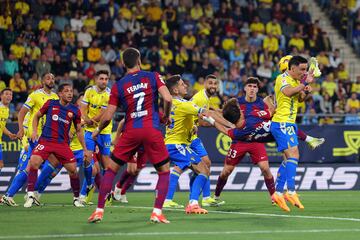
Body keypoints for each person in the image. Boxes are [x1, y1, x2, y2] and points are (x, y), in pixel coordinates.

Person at [88, 47, 172, 224]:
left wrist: (97, 130)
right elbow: (168, 99)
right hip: (151, 129)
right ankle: (157, 212)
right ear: (139, 61)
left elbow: (108, 116)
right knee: (164, 171)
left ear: (122, 63)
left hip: (130, 130)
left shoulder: (118, 86)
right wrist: (166, 115)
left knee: (111, 169)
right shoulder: (153, 76)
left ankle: (99, 211)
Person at [164, 74, 227, 208]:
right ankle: (193, 201)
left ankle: (174, 199)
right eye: (182, 84)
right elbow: (207, 114)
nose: (186, 85)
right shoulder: (189, 102)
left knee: (198, 166)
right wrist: (231, 126)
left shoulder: (172, 103)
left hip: (178, 141)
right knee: (203, 169)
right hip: (179, 143)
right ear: (175, 90)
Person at [23, 84, 91, 208]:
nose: (70, 93)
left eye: (71, 91)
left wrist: (85, 149)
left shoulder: (75, 110)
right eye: (66, 91)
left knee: (73, 171)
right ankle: (31, 195)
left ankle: (76, 198)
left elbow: (79, 130)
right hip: (46, 141)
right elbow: (37, 116)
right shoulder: (51, 103)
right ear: (60, 93)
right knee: (33, 162)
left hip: (62, 144)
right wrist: (33, 131)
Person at [1, 73, 59, 206]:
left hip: (48, 137)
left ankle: (12, 195)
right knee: (50, 163)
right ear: (43, 81)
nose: (51, 80)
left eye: (53, 78)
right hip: (35, 136)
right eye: (48, 78)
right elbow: (22, 112)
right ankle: (31, 192)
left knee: (31, 168)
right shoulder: (35, 95)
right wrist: (21, 129)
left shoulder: (55, 97)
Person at [270, 56, 314, 212]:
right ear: (292, 68)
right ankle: (291, 191)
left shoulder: (296, 81)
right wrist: (305, 83)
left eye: (305, 70)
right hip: (281, 122)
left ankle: (278, 193)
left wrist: (306, 91)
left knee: (288, 158)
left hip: (288, 123)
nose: (303, 72)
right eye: (302, 69)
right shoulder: (282, 78)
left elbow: (300, 99)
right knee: (294, 155)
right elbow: (288, 93)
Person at [80, 70, 113, 204]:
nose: (104, 81)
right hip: (89, 130)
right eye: (101, 78)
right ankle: (87, 189)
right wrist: (85, 118)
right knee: (87, 158)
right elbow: (82, 107)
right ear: (96, 79)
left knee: (106, 164)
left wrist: (90, 120)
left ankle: (107, 193)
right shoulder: (89, 91)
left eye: (106, 79)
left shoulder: (109, 94)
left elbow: (103, 113)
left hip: (104, 131)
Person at [112, 119, 147, 203]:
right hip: (132, 142)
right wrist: (117, 137)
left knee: (137, 171)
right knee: (132, 170)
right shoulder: (137, 111)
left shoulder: (154, 114)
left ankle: (123, 192)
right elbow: (122, 122)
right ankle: (118, 187)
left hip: (145, 145)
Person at [0, 89, 17, 172]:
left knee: (1, 165)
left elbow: (2, 126)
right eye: (6, 94)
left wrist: (9, 133)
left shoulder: (6, 110)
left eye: (10, 94)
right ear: (1, 96)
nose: (9, 96)